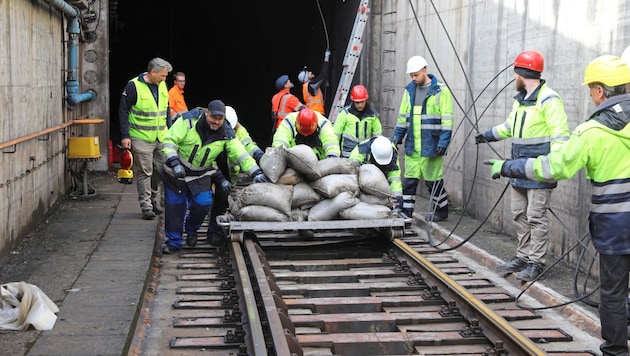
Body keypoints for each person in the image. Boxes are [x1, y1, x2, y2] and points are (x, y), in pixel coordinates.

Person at [484, 54, 630, 356]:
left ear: (600, 91)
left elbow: (553, 167)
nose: (590, 95)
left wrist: (507, 166)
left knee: (614, 293)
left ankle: (616, 352)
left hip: (617, 227)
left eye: (591, 89)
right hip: (617, 226)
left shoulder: (591, 132)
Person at [475, 50, 570, 282]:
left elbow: (560, 137)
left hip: (539, 170)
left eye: (514, 73)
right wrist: (488, 135)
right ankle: (523, 256)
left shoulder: (549, 99)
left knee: (536, 216)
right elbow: (509, 127)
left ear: (520, 72)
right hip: (517, 168)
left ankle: (536, 263)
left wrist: (553, 167)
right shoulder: (520, 101)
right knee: (519, 214)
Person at [160, 100, 267, 253]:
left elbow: (240, 154)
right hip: (176, 172)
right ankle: (174, 242)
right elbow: (170, 140)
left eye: (219, 119)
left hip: (200, 173)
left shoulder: (227, 133)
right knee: (175, 206)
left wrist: (255, 171)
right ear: (206, 113)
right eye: (213, 117)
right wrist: (174, 161)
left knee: (203, 203)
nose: (216, 121)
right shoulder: (188, 121)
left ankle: (191, 229)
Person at [390, 55, 453, 222]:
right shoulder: (409, 91)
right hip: (413, 145)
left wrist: (443, 142)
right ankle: (406, 213)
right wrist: (396, 138)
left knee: (433, 182)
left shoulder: (441, 91)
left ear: (425, 70)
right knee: (409, 181)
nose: (414, 78)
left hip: (431, 145)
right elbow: (402, 118)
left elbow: (447, 120)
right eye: (411, 75)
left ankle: (442, 210)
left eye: (416, 75)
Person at [119, 57, 172, 220]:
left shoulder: (162, 84)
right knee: (145, 172)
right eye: (162, 75)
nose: (165, 79)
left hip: (161, 136)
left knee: (160, 170)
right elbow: (123, 110)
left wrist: (169, 131)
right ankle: (146, 206)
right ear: (153, 72)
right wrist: (125, 135)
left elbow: (167, 109)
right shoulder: (133, 86)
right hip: (141, 137)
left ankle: (153, 198)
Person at [208, 105, 265, 244]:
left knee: (223, 202)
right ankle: (211, 232)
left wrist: (258, 155)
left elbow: (248, 145)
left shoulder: (239, 130)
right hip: (211, 170)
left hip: (229, 172)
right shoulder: (212, 130)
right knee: (211, 201)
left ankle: (219, 232)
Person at [349, 135, 403, 211]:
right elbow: (351, 173)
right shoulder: (360, 151)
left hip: (382, 181)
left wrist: (397, 199)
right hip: (364, 177)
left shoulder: (392, 153)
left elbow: (395, 179)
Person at [333, 84, 383, 158]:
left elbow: (377, 136)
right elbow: (336, 135)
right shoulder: (344, 114)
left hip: (365, 155)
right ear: (353, 101)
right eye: (357, 102)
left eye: (362, 102)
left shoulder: (373, 116)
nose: (360, 105)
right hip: (348, 156)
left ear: (366, 100)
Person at [272, 108, 340, 159]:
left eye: (308, 133)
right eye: (303, 133)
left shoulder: (324, 124)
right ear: (296, 124)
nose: (305, 135)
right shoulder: (289, 122)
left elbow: (331, 143)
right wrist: (279, 157)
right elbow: (280, 140)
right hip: (293, 158)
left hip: (318, 161)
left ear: (316, 126)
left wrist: (332, 157)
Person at [298, 49, 331, 115]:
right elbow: (323, 74)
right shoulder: (311, 85)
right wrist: (326, 58)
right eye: (308, 73)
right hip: (317, 113)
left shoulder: (306, 87)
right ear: (306, 78)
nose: (310, 72)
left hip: (312, 113)